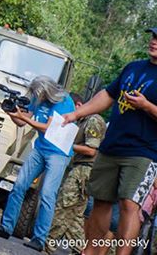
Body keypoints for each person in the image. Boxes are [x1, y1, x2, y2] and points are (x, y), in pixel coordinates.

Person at [61, 28, 157, 255]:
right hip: (111, 146)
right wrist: (76, 114)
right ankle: (90, 252)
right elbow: (107, 95)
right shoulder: (133, 67)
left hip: (144, 152)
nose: (154, 42)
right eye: (153, 37)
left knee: (128, 205)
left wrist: (147, 106)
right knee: (100, 202)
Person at [0, 76, 76, 252]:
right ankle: (6, 227)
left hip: (58, 153)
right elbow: (22, 120)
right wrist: (12, 113)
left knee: (48, 194)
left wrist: (24, 119)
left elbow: (47, 127)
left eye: (38, 95)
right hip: (40, 148)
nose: (36, 98)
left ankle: (39, 239)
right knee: (19, 185)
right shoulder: (37, 97)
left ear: (47, 92)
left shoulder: (64, 101)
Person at [46, 93, 107, 255]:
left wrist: (68, 143)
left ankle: (48, 248)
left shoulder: (93, 121)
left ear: (80, 105)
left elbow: (91, 150)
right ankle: (81, 250)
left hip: (85, 170)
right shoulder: (83, 120)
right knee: (75, 216)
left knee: (63, 207)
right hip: (80, 167)